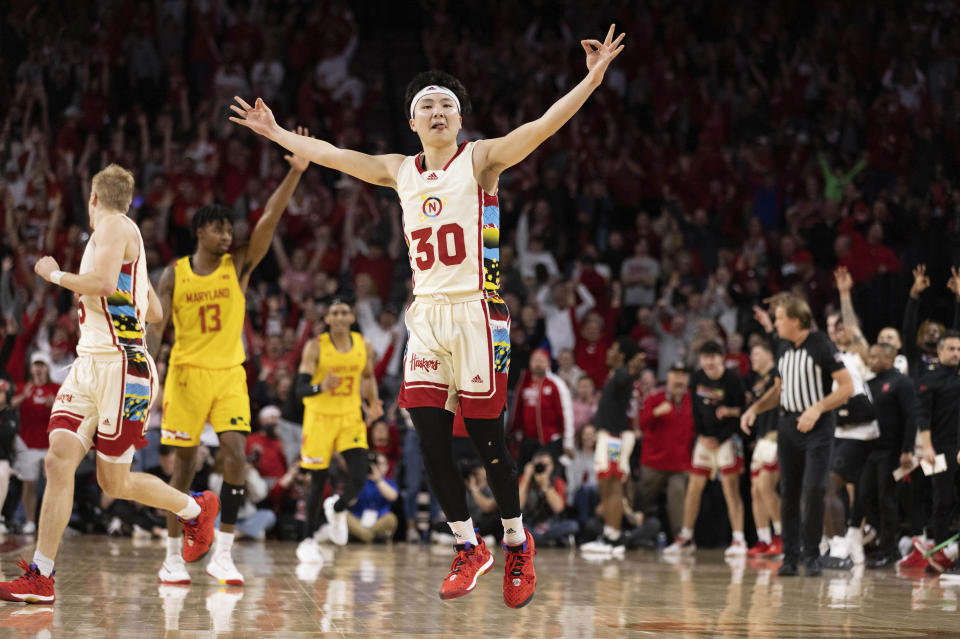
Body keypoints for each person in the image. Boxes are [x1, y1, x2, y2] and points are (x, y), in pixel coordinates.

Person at [231, 22, 626, 608]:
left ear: (459, 118)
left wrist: (591, 79)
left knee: (488, 438)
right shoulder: (400, 169)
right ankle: (469, 546)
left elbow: (543, 127)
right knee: (429, 433)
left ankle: (517, 541)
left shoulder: (482, 159)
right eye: (426, 105)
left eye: (446, 103)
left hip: (478, 312)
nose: (437, 109)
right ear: (413, 122)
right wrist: (275, 131)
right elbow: (337, 157)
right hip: (429, 315)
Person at [0, 165, 218, 604]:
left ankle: (195, 508)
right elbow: (153, 310)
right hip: (90, 364)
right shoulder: (117, 241)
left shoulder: (115, 225)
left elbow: (99, 285)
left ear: (94, 200)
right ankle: (42, 575)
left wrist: (53, 274)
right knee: (58, 459)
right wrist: (126, 297)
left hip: (123, 368)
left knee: (113, 484)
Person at [147, 141, 309, 587]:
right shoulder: (173, 274)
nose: (228, 236)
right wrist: (148, 369)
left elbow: (268, 220)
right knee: (181, 470)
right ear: (201, 232)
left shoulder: (237, 265)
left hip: (229, 375)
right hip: (185, 376)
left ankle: (224, 552)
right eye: (219, 230)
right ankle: (172, 558)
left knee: (235, 454)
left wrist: (294, 173)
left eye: (229, 230)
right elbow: (158, 328)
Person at [741, 295, 853, 577]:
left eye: (779, 318)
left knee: (814, 488)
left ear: (795, 319)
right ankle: (790, 556)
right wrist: (755, 408)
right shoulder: (782, 347)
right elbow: (778, 390)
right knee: (788, 492)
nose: (775, 323)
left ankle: (812, 554)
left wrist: (817, 408)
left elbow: (846, 387)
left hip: (818, 424)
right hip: (788, 425)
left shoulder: (820, 345)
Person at [295, 300, 382, 563]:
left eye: (345, 312)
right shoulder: (315, 347)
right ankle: (308, 539)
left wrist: (373, 402)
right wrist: (321, 387)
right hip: (319, 417)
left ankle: (337, 507)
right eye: (335, 313)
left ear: (353, 316)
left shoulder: (362, 344)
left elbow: (367, 377)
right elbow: (300, 389)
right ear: (328, 319)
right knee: (318, 481)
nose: (341, 317)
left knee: (359, 475)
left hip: (349, 416)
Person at [664, 342, 747, 556]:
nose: (708, 362)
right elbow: (695, 410)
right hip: (704, 439)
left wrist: (720, 436)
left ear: (722, 358)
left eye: (712, 357)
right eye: (705, 357)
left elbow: (743, 412)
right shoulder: (698, 377)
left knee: (731, 488)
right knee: (694, 487)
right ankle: (686, 536)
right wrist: (702, 435)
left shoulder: (732, 379)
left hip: (727, 439)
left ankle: (739, 538)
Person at [579, 336, 645, 556]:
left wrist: (632, 370)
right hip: (608, 437)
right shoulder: (615, 375)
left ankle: (614, 539)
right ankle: (609, 534)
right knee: (606, 488)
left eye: (613, 347)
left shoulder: (622, 374)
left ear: (622, 355)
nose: (608, 351)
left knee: (614, 487)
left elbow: (626, 378)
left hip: (615, 438)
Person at [862, 343, 917, 568]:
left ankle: (889, 550)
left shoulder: (901, 382)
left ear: (889, 358)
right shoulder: (870, 383)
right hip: (870, 450)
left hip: (892, 451)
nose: (870, 361)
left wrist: (907, 449)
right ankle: (888, 540)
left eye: (875, 357)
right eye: (870, 357)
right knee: (865, 497)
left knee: (888, 500)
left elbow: (911, 416)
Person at [913, 330, 960, 573]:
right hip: (938, 448)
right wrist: (927, 447)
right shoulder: (929, 379)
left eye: (959, 349)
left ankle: (955, 554)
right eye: (951, 349)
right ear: (939, 351)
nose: (956, 354)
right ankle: (941, 553)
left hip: (959, 446)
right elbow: (923, 416)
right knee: (941, 500)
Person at [636, 362, 694, 540]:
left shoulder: (693, 400)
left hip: (680, 464)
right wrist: (655, 413)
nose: (679, 379)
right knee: (641, 499)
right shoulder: (655, 399)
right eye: (675, 375)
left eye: (683, 376)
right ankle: (632, 529)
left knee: (678, 494)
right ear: (668, 378)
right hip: (654, 462)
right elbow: (641, 424)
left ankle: (680, 538)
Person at [741, 341, 783, 557]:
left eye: (757, 353)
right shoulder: (755, 381)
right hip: (762, 438)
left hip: (776, 436)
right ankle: (763, 538)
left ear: (770, 354)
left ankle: (781, 536)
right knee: (755, 489)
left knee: (767, 485)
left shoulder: (778, 373)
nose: (752, 358)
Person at [11, 353, 58, 535]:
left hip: (51, 445)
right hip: (27, 444)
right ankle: (30, 521)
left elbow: (69, 412)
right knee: (29, 485)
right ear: (30, 368)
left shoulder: (56, 388)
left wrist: (55, 404)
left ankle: (51, 524)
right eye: (36, 365)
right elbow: (7, 405)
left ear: (47, 368)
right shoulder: (22, 388)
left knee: (53, 487)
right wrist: (23, 396)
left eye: (42, 365)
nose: (39, 369)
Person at [508, 348, 574, 467]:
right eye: (535, 360)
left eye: (541, 360)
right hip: (527, 439)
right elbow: (517, 410)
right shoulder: (524, 382)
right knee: (523, 475)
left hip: (549, 440)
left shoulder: (556, 383)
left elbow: (566, 413)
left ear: (548, 363)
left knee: (547, 477)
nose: (538, 363)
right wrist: (515, 431)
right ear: (530, 363)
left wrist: (568, 442)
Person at [519, 450, 578, 547]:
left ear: (552, 466)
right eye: (538, 465)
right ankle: (548, 541)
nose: (541, 468)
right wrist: (526, 478)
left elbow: (559, 508)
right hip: (530, 524)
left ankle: (537, 541)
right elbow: (519, 505)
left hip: (552, 525)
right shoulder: (525, 480)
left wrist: (545, 485)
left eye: (545, 465)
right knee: (517, 527)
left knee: (572, 525)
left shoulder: (557, 482)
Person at [346, 452, 399, 543]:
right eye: (375, 463)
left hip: (379, 521)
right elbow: (349, 501)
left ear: (387, 467)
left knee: (391, 518)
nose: (376, 467)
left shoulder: (389, 483)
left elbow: (393, 497)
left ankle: (362, 536)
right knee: (344, 515)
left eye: (380, 464)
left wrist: (378, 480)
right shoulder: (359, 481)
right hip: (358, 520)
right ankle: (371, 538)